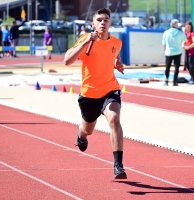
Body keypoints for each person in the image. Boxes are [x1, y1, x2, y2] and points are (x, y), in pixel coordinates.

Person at [64, 8, 127, 179]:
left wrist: (116, 65)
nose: (102, 23)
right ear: (93, 24)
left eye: (106, 19)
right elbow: (67, 60)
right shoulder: (86, 40)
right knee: (88, 130)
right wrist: (85, 43)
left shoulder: (117, 43)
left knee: (114, 119)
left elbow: (110, 58)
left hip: (110, 89)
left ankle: (118, 166)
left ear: (110, 23)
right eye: (99, 20)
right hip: (89, 94)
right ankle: (81, 134)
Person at [162, 19, 187, 86]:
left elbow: (164, 43)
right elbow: (185, 39)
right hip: (177, 53)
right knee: (176, 68)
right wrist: (184, 32)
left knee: (167, 67)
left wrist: (165, 51)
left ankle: (166, 81)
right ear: (176, 25)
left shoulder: (166, 32)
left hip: (168, 52)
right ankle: (175, 82)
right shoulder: (180, 33)